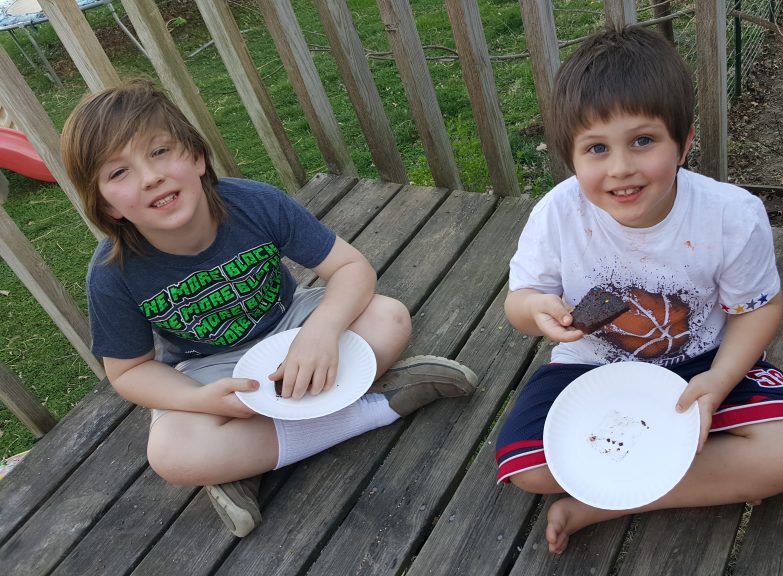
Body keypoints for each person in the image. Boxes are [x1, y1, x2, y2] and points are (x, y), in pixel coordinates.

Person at [61, 79, 478, 538]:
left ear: (197, 157)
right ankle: (381, 406)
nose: (150, 176)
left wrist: (320, 333)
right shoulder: (112, 273)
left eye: (160, 151)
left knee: (389, 317)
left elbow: (352, 268)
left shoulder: (255, 203)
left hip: (291, 325)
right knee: (171, 454)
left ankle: (242, 463)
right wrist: (199, 400)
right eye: (119, 173)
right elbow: (129, 373)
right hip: (209, 367)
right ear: (106, 206)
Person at [495, 25, 783, 555]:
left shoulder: (731, 216)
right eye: (597, 148)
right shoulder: (557, 213)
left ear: (685, 141)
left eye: (643, 141)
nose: (622, 168)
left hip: (703, 362)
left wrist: (719, 382)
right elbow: (521, 299)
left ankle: (609, 500)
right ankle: (709, 469)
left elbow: (760, 310)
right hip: (592, 370)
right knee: (528, 468)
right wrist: (536, 309)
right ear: (571, 156)